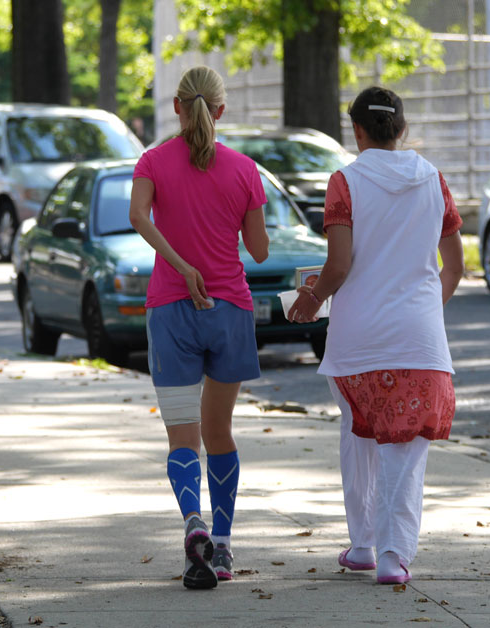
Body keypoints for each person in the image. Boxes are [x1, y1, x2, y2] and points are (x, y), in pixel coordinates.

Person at [288, 85, 464, 585]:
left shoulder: (345, 182)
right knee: (404, 452)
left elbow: (338, 265)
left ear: (357, 131)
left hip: (357, 343)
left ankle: (363, 544)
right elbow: (454, 266)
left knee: (358, 437)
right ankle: (395, 555)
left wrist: (310, 299)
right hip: (420, 344)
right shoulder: (435, 181)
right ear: (401, 129)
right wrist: (426, 310)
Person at [129, 66, 270, 590]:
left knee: (183, 439)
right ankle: (225, 546)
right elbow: (258, 251)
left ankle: (195, 526)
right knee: (220, 433)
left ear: (176, 107)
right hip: (229, 310)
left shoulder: (152, 161)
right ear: (221, 110)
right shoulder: (245, 170)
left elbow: (138, 216)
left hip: (170, 308)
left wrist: (180, 264)